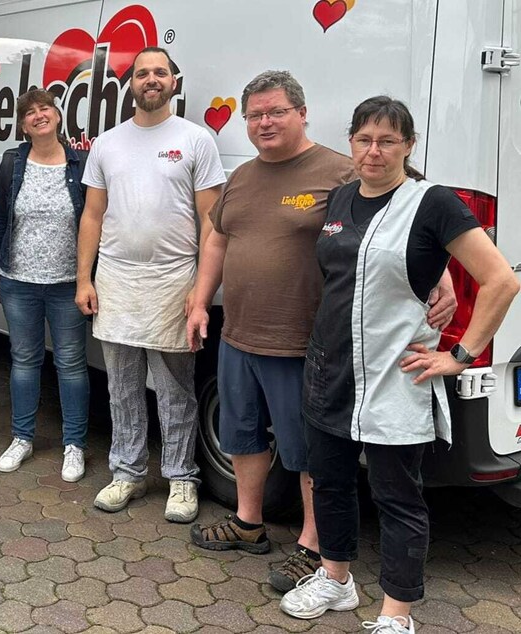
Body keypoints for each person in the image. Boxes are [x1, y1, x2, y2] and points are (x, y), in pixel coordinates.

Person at [185, 71, 456, 593]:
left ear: (302, 113)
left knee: (309, 453)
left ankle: (313, 545)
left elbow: (409, 208)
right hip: (237, 333)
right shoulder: (241, 176)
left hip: (303, 340)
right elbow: (216, 237)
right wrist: (200, 301)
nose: (265, 122)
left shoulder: (339, 169)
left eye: (277, 111)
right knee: (241, 435)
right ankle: (248, 522)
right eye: (256, 115)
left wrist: (439, 271)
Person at [278, 96, 519, 633]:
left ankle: (396, 614)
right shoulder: (341, 199)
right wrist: (436, 279)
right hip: (331, 369)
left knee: (398, 498)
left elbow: (502, 280)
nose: (374, 152)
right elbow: (362, 270)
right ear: (351, 143)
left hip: (395, 375)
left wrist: (457, 356)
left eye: (388, 141)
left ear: (409, 146)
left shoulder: (432, 202)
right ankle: (336, 580)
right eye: (364, 139)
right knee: (331, 484)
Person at [76, 47, 226, 522]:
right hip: (116, 278)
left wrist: (200, 287)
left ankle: (181, 478)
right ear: (131, 85)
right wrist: (85, 277)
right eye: (142, 73)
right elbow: (93, 215)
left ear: (173, 82)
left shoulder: (196, 140)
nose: (151, 79)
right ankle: (127, 472)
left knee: (174, 387)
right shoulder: (107, 143)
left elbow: (211, 220)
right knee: (120, 386)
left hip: (173, 280)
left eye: (160, 72)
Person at [0, 89, 90, 482]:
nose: (38, 116)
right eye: (29, 113)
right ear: (23, 124)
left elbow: (94, 219)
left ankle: (75, 445)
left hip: (67, 283)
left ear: (58, 115)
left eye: (44, 108)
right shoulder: (13, 162)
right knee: (25, 361)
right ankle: (22, 438)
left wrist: (88, 277)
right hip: (19, 281)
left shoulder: (80, 162)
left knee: (71, 364)